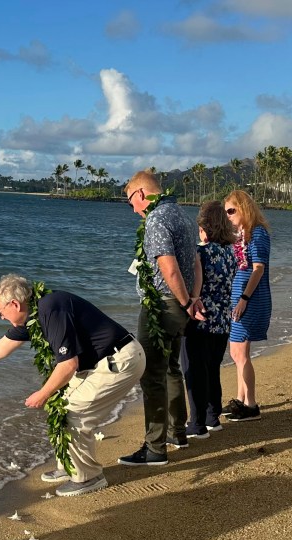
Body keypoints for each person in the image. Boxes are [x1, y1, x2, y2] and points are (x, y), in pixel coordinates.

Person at [0, 274, 145, 496]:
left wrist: (43, 393)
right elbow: (1, 347)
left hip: (119, 360)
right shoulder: (33, 313)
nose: (0, 317)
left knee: (72, 412)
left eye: (0, 311)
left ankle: (88, 478)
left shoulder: (51, 309)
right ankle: (70, 466)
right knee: (59, 407)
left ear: (15, 304)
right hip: (98, 363)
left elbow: (68, 364)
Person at [119, 170, 201, 466]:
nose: (133, 209)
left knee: (151, 375)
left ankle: (155, 448)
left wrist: (183, 301)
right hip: (179, 303)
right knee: (171, 368)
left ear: (140, 194)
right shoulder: (181, 214)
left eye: (131, 202)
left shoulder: (156, 219)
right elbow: (195, 262)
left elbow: (169, 267)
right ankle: (178, 432)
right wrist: (193, 299)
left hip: (161, 307)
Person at [182, 201, 237, 438]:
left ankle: (196, 424)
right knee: (212, 368)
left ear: (204, 228)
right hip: (223, 318)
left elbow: (192, 282)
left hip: (201, 317)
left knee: (194, 369)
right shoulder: (230, 253)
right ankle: (212, 416)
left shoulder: (202, 253)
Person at [223, 190, 271, 421]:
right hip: (239, 298)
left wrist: (244, 298)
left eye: (231, 211)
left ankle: (251, 404)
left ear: (243, 209)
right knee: (236, 352)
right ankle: (240, 399)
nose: (228, 216)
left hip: (250, 299)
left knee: (240, 352)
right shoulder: (241, 234)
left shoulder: (257, 233)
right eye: (226, 213)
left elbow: (258, 269)